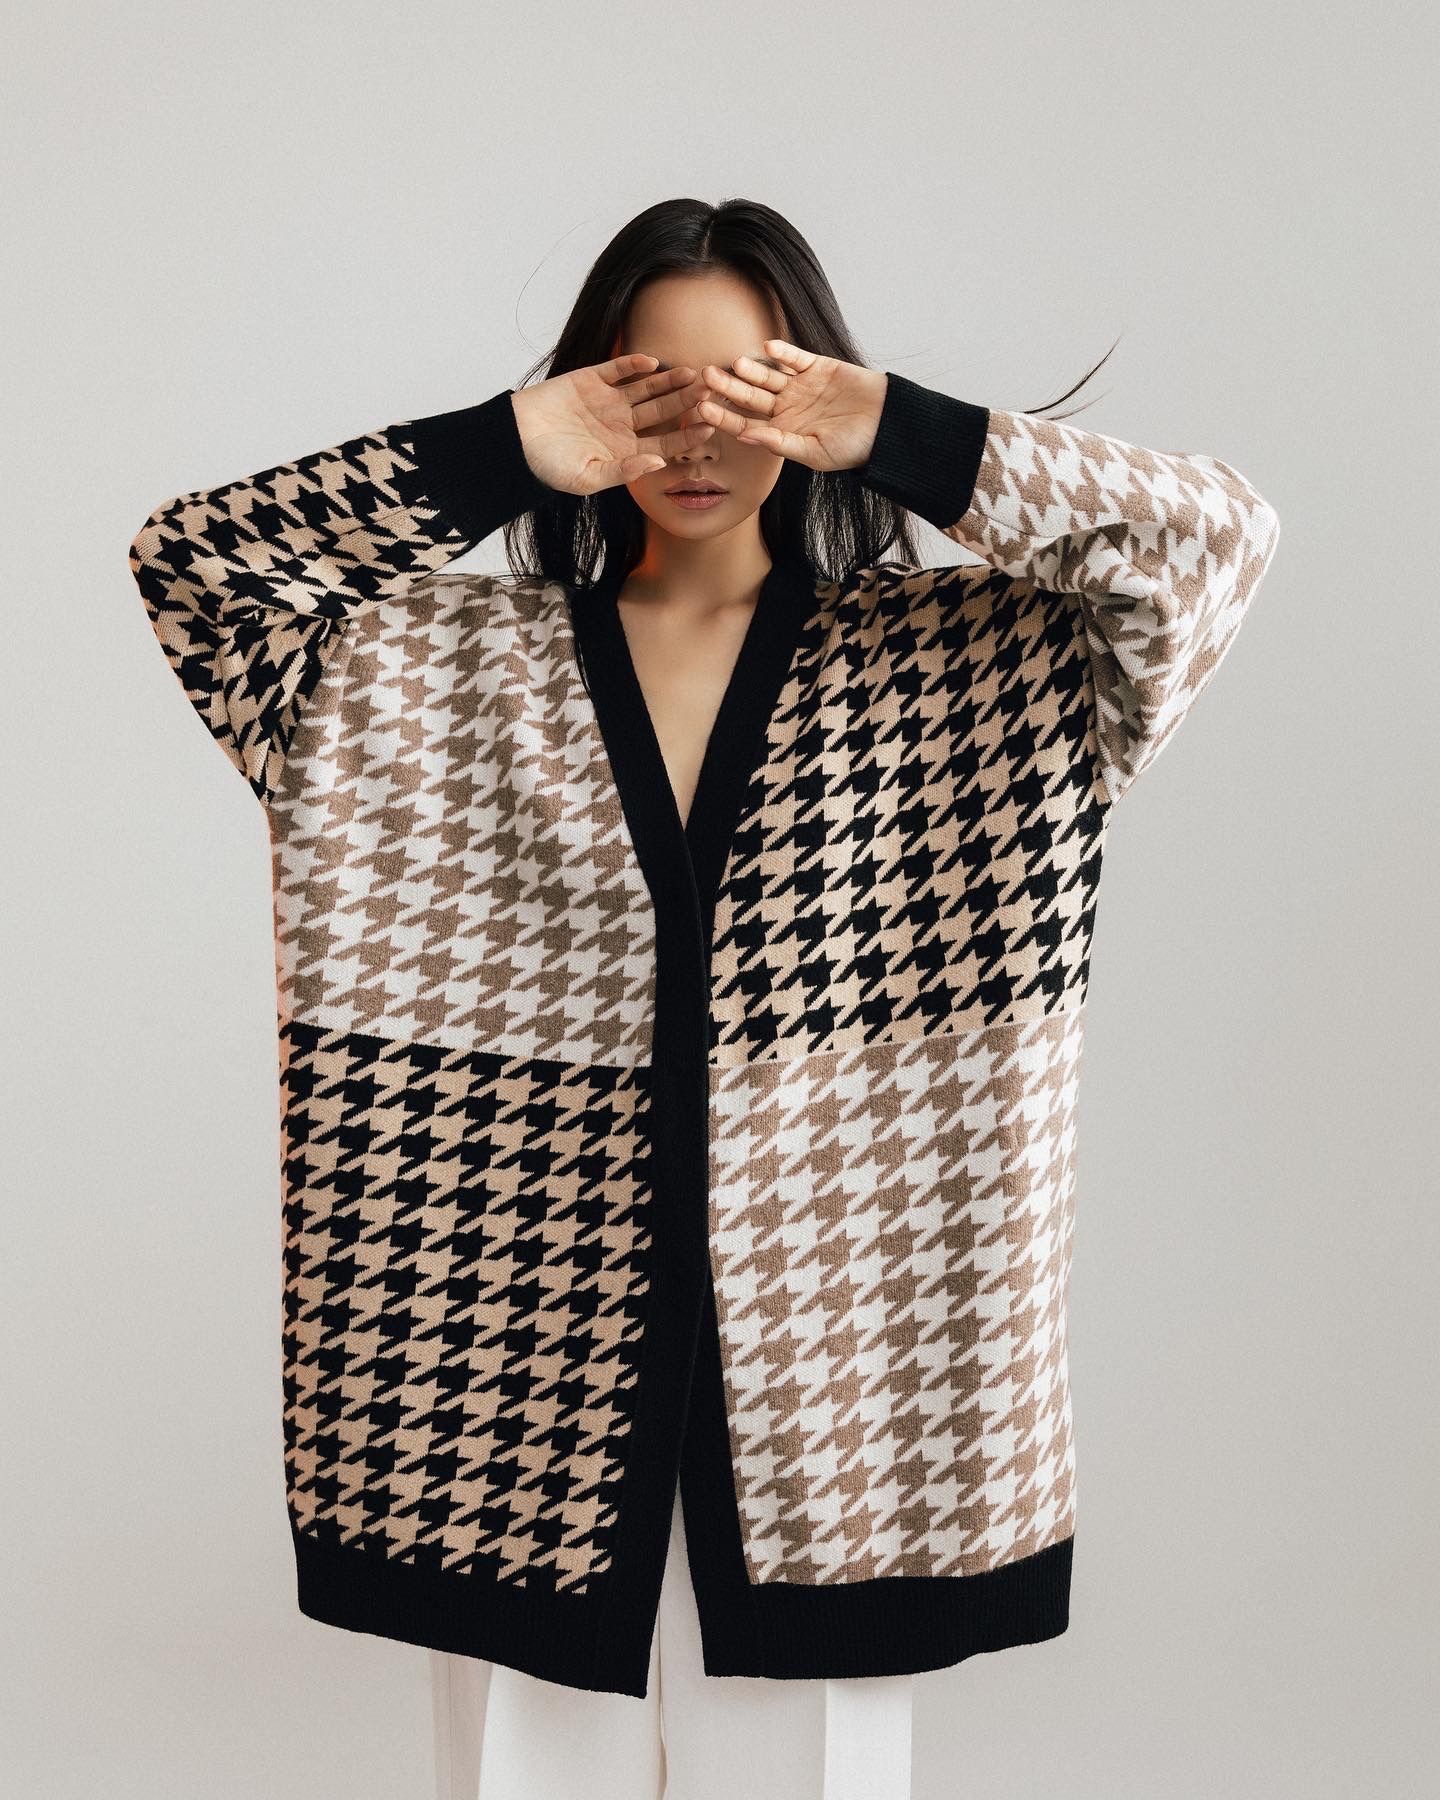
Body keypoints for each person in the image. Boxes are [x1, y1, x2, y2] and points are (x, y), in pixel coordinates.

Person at [128, 195, 1279, 1800]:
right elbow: (194, 565)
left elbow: (1215, 539)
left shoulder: (988, 669)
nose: (695, 432)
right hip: (504, 1412)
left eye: (746, 386)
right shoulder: (419, 674)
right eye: (641, 389)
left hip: (847, 1423)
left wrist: (898, 432)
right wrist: (495, 452)